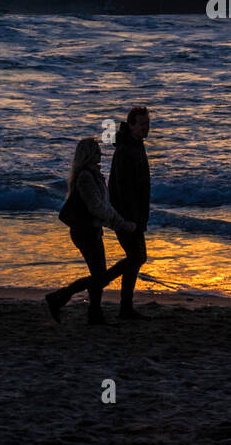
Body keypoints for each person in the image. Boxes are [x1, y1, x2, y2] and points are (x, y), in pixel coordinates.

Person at [45, 137, 135, 326]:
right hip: (84, 231)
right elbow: (98, 208)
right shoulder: (86, 177)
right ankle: (60, 297)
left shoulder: (93, 175)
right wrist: (120, 223)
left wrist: (116, 222)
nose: (100, 154)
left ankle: (94, 314)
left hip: (91, 229)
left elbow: (102, 206)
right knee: (100, 276)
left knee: (98, 275)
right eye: (96, 151)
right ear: (88, 155)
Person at [108, 106, 151, 321]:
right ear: (131, 124)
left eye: (147, 124)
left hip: (135, 215)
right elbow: (121, 188)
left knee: (137, 257)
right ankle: (100, 282)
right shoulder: (125, 150)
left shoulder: (136, 145)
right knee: (137, 257)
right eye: (142, 124)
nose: (146, 128)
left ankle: (125, 307)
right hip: (126, 216)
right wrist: (128, 219)